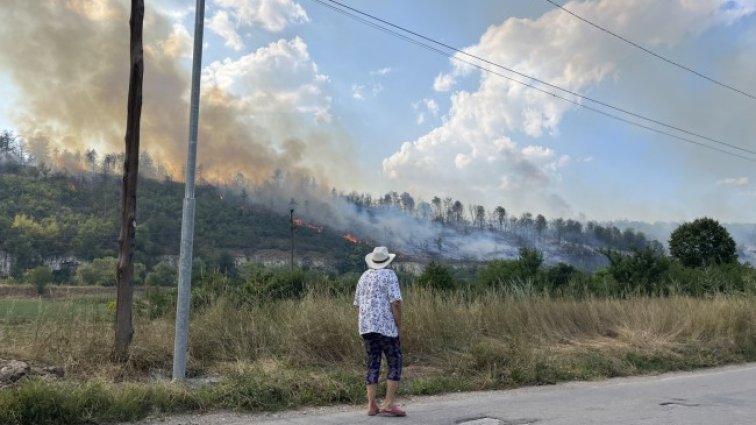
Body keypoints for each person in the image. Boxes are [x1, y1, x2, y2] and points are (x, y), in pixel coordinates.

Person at [353, 246, 406, 417]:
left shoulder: (364, 276)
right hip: (385, 327)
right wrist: (399, 324)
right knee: (395, 361)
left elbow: (358, 304)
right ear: (386, 261)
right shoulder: (389, 275)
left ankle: (371, 405)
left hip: (366, 326)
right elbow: (396, 302)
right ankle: (389, 403)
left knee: (373, 362)